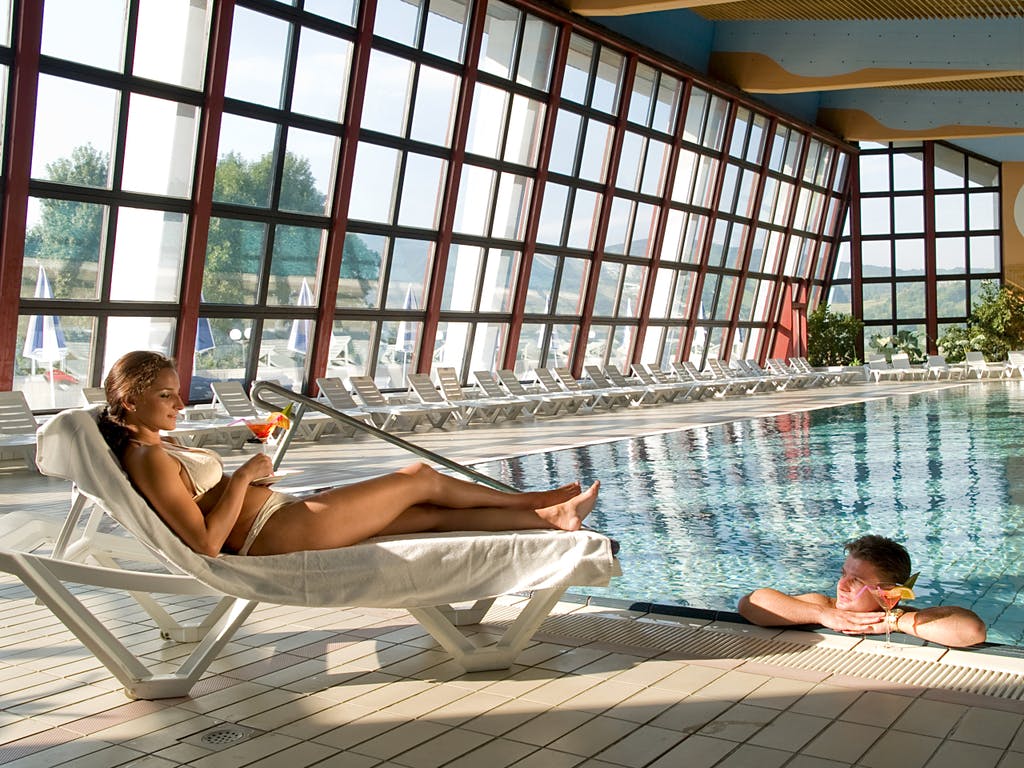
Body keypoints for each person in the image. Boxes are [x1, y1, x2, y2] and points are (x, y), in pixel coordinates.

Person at [98, 350, 600, 557]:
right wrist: (243, 478)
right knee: (419, 477)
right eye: (166, 395)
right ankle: (533, 500)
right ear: (130, 400)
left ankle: (551, 518)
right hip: (272, 532)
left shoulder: (155, 445)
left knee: (429, 516)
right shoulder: (148, 458)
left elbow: (205, 504)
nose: (180, 403)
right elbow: (206, 543)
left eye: (176, 392)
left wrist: (249, 483)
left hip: (278, 517)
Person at [737, 534, 986, 648]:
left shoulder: (902, 616)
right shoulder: (824, 606)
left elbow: (972, 631)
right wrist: (822, 615)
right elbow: (750, 603)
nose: (842, 585)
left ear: (890, 592)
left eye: (856, 580)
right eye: (843, 573)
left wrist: (893, 621)